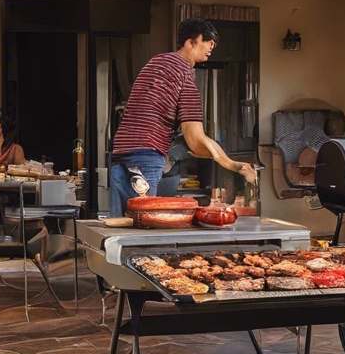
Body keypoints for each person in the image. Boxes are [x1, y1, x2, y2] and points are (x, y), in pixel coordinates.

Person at [109, 18, 256, 216]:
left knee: (120, 224)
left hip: (121, 150)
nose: (211, 48)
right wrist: (235, 166)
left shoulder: (156, 62)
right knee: (140, 223)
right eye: (208, 42)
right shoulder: (185, 77)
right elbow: (195, 141)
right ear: (190, 42)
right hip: (146, 155)